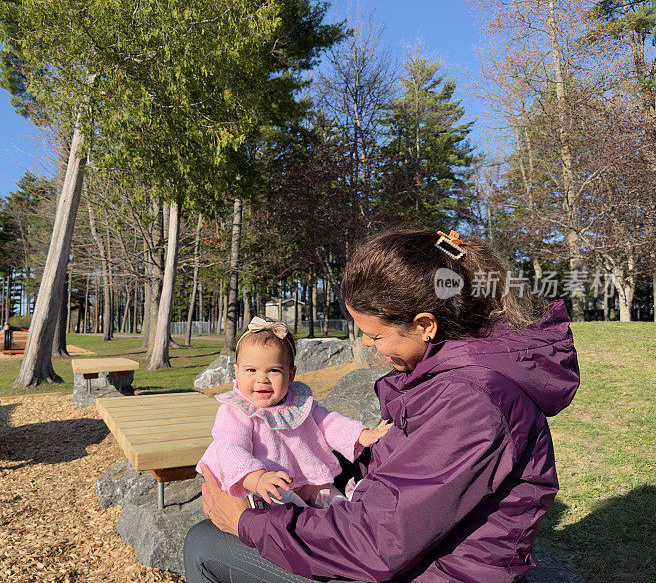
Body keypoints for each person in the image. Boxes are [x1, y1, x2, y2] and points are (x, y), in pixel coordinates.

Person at [185, 228, 581, 583]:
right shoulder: (453, 372)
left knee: (203, 545)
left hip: (431, 571)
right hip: (415, 553)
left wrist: (246, 523)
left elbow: (378, 543)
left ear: (425, 325)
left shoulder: (470, 401)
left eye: (374, 334)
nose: (369, 345)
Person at [197, 317, 391, 509]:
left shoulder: (299, 403)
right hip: (260, 482)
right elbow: (231, 447)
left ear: (290, 375)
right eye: (251, 370)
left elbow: (328, 423)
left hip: (303, 476)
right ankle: (302, 517)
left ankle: (343, 508)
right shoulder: (236, 410)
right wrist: (257, 478)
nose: (262, 379)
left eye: (273, 370)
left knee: (326, 491)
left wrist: (360, 435)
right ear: (237, 372)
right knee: (281, 504)